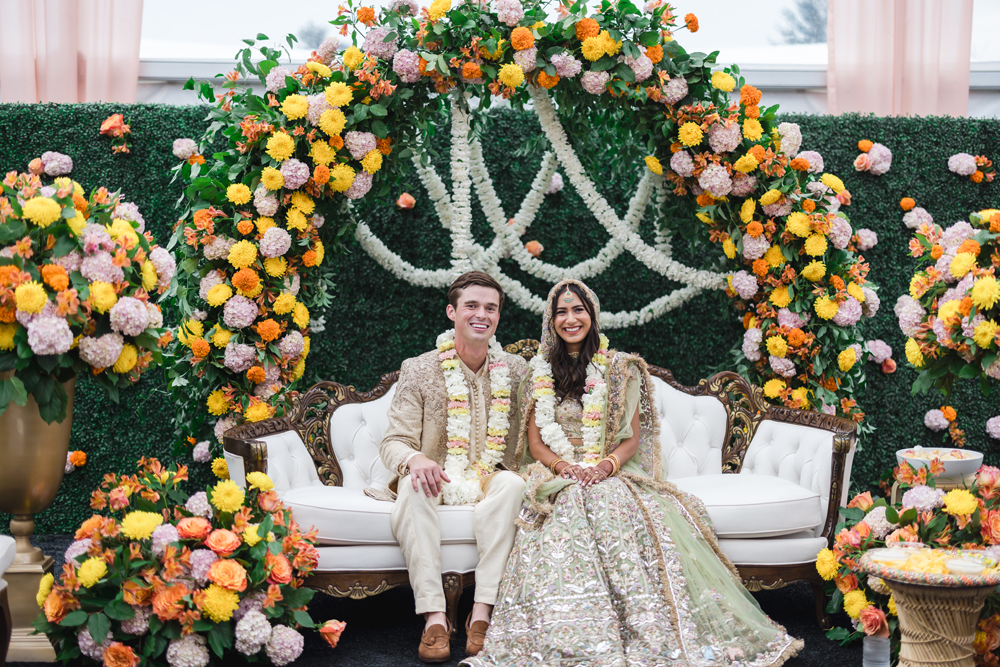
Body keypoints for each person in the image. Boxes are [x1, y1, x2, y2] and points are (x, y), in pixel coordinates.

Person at [463, 279, 803, 667]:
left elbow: (631, 441)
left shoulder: (620, 368)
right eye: (561, 312)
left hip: (608, 469)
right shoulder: (536, 372)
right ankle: (573, 629)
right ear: (550, 320)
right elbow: (536, 443)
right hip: (555, 469)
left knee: (608, 499)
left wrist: (603, 466)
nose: (570, 319)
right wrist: (565, 467)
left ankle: (638, 624)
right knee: (565, 502)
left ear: (592, 315)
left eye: (578, 311)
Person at [375, 271, 527, 663]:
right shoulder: (421, 368)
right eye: (471, 306)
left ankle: (482, 612)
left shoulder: (517, 370)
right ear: (451, 311)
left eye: (490, 308)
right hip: (437, 474)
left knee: (512, 486)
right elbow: (394, 441)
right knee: (412, 485)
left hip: (490, 473)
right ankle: (435, 617)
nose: (482, 314)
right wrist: (415, 458)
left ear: (498, 317)